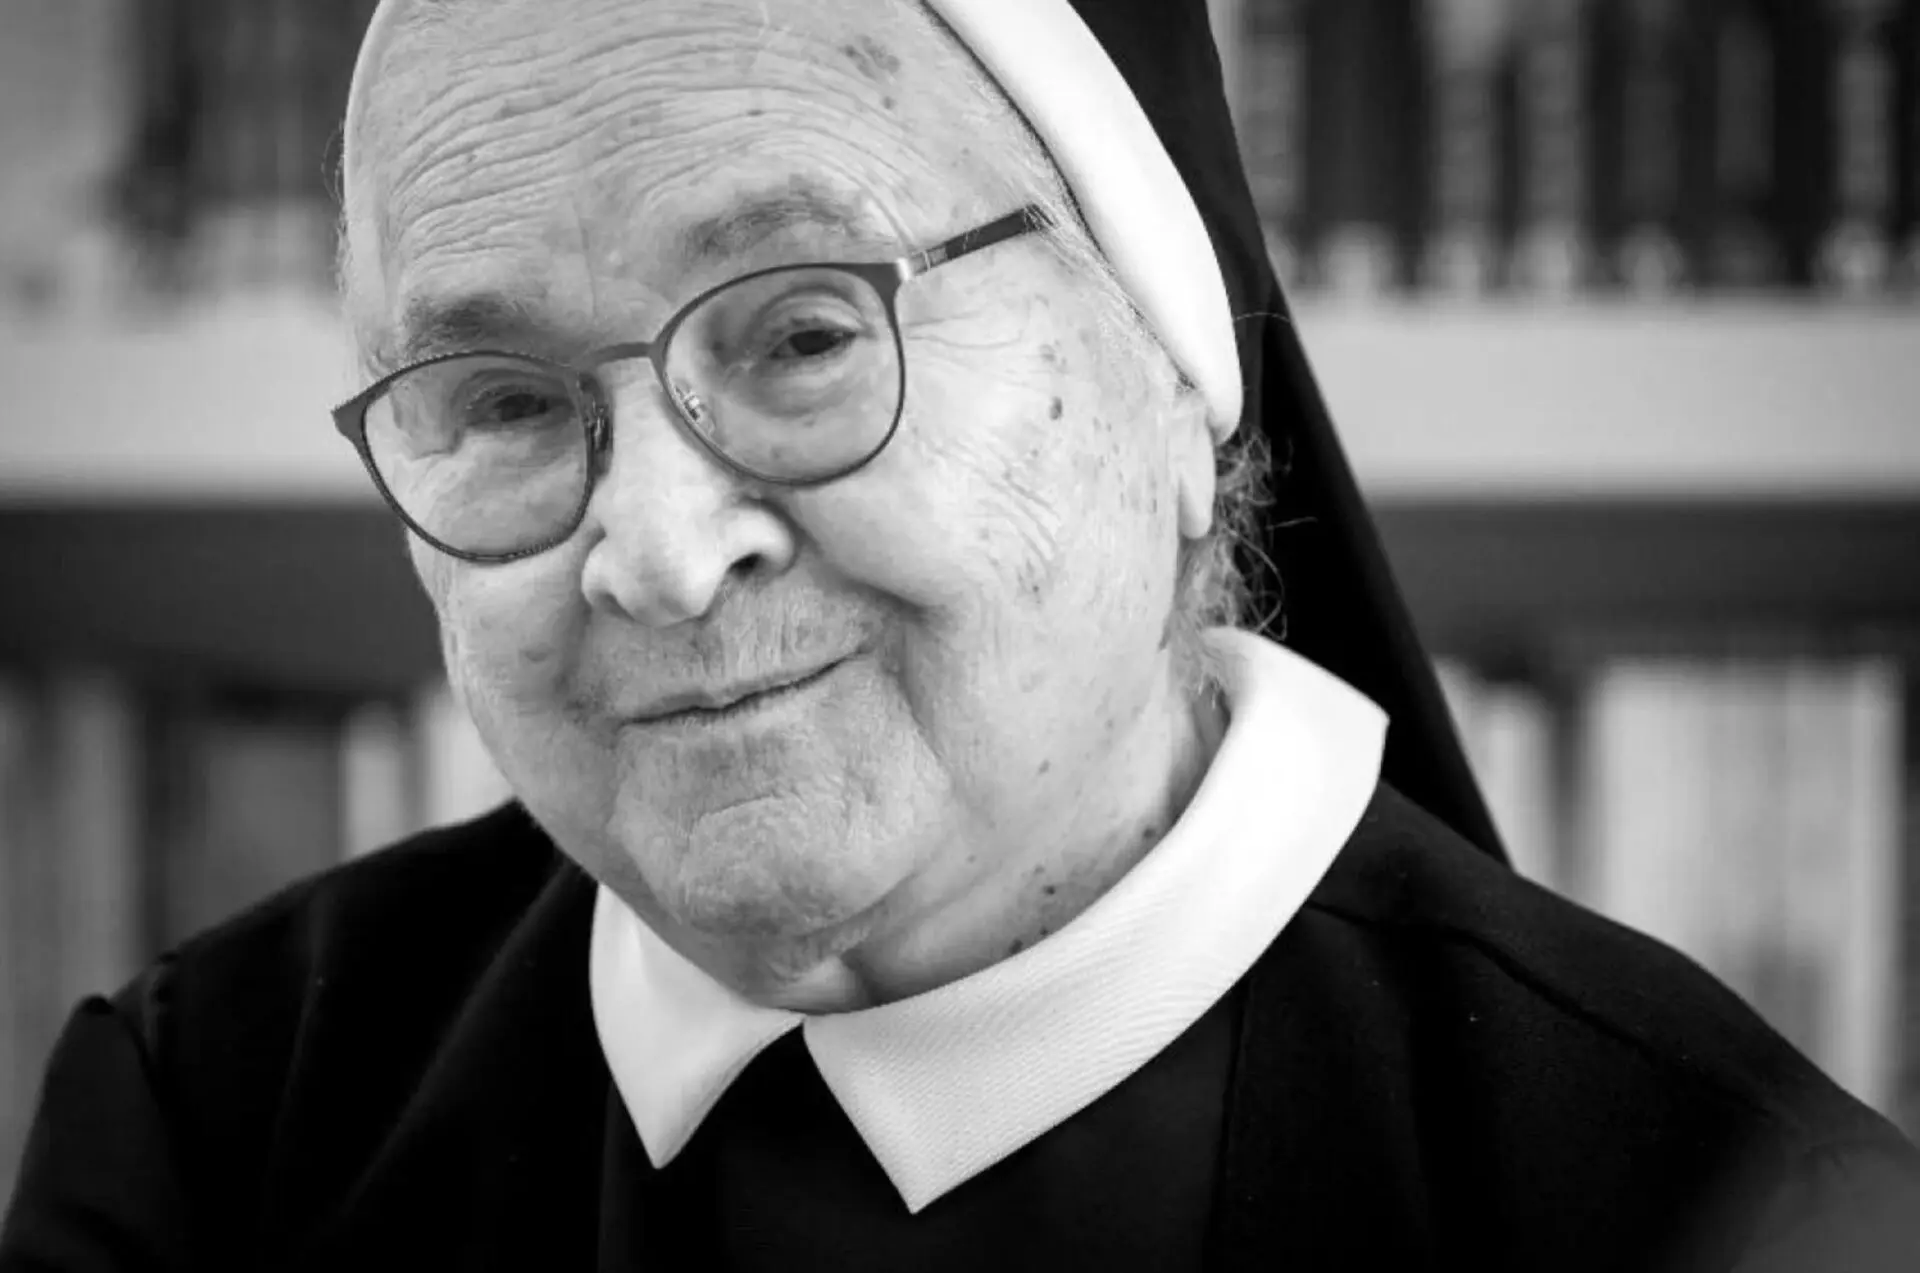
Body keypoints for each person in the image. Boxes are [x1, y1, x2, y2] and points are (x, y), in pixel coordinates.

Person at [3, 0, 1916, 1267]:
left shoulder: (1724, 1216)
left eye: (805, 331)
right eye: (500, 401)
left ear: (1172, 384)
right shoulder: (214, 1135)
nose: (656, 557)